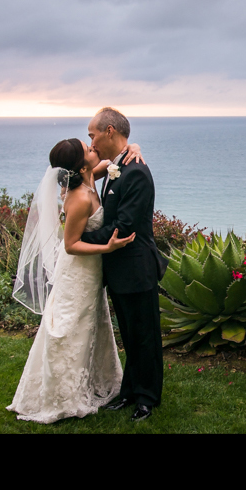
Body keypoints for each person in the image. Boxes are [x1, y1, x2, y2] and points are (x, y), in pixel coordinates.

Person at [8, 137, 144, 424]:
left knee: (89, 325)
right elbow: (70, 245)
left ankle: (91, 383)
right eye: (89, 149)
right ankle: (60, 395)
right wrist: (107, 248)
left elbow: (114, 160)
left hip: (91, 272)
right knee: (68, 328)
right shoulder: (80, 197)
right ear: (82, 164)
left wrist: (134, 148)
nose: (94, 149)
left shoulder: (89, 177)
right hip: (78, 271)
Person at [80, 107, 168, 422]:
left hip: (136, 266)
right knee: (130, 335)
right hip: (119, 269)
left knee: (145, 336)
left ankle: (147, 398)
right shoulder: (117, 166)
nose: (91, 144)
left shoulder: (136, 172)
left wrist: (79, 239)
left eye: (92, 135)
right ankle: (130, 390)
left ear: (110, 131)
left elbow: (125, 226)